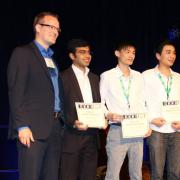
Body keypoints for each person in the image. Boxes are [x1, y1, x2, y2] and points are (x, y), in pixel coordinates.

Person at [7, 12, 65, 180]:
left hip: (54, 129)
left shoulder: (52, 59)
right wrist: (22, 126)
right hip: (32, 130)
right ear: (38, 27)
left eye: (58, 29)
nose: (55, 31)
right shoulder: (23, 53)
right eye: (51, 27)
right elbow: (16, 91)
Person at [100, 41, 150, 180]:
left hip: (136, 128)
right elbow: (101, 102)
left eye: (133, 52)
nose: (131, 55)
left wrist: (147, 124)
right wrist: (108, 114)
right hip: (117, 129)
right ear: (117, 53)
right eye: (127, 51)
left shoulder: (138, 76)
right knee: (113, 174)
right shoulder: (107, 76)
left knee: (136, 174)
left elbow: (143, 102)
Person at [59, 38, 102, 180]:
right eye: (82, 52)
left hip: (91, 137)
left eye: (88, 52)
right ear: (72, 56)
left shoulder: (95, 78)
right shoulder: (62, 77)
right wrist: (72, 122)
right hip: (71, 137)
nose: (87, 55)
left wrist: (103, 118)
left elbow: (99, 104)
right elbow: (58, 107)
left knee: (89, 176)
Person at [142, 39, 180, 180]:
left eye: (174, 53)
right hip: (157, 130)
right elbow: (140, 102)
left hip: (176, 131)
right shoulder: (146, 76)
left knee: (175, 173)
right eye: (168, 52)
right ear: (158, 56)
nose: (172, 56)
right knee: (157, 173)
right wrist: (150, 119)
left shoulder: (178, 78)